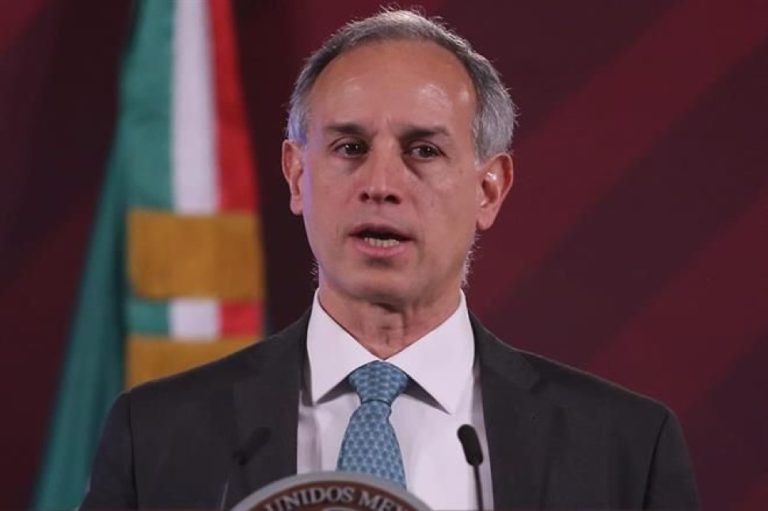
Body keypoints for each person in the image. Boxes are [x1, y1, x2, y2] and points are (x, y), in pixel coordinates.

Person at [81, 10, 699, 510]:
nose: (380, 184)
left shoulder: (623, 449)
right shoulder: (159, 434)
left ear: (488, 190)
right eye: (350, 147)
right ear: (296, 176)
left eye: (422, 150)